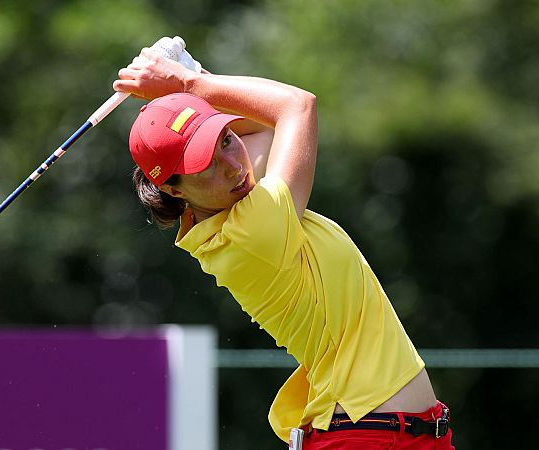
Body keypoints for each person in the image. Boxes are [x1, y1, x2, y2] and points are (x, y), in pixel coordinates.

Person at [113, 47, 455, 449]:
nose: (233, 164)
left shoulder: (229, 205)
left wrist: (192, 80)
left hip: (407, 434)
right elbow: (296, 106)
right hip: (366, 438)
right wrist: (189, 84)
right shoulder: (251, 232)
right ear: (173, 189)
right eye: (206, 163)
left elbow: (262, 128)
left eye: (226, 139)